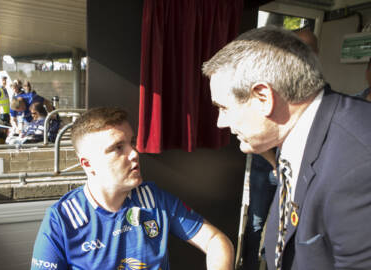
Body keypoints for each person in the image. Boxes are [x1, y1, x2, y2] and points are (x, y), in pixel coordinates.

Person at [202, 26, 371, 270]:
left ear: (263, 97)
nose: (220, 122)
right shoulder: (294, 133)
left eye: (224, 108)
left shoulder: (359, 164)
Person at [31, 107, 234, 270]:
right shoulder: (62, 219)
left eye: (132, 143)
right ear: (88, 164)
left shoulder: (154, 199)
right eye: (118, 147)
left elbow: (216, 240)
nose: (135, 153)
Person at [242, 27, 320, 270]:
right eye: (304, 47)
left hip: (294, 170)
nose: (309, 54)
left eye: (312, 49)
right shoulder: (268, 85)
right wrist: (277, 164)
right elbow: (250, 134)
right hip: (267, 165)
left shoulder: (314, 88)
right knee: (256, 222)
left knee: (287, 225)